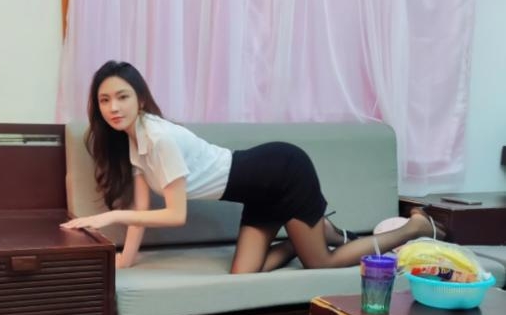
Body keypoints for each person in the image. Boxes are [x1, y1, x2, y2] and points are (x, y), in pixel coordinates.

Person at [61, 61, 443, 272]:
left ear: (140, 99)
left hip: (283, 172)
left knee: (320, 263)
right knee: (243, 274)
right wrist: (125, 259)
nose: (114, 107)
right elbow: (142, 208)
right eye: (105, 100)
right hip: (258, 193)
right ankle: (302, 236)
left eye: (122, 97)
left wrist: (110, 217)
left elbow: (175, 215)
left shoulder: (159, 138)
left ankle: (414, 227)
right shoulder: (135, 142)